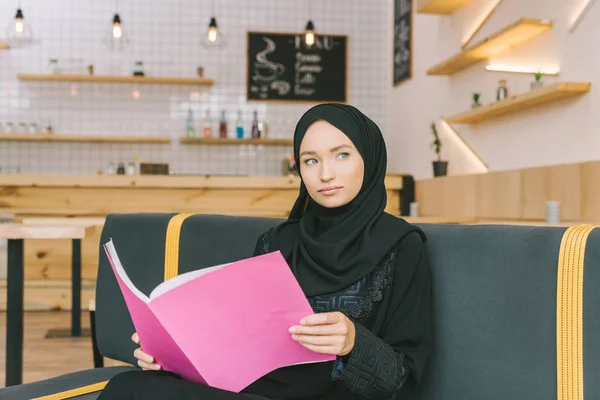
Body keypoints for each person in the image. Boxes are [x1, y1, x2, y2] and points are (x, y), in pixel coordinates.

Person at [98, 103, 432, 400]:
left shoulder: (403, 246)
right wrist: (169, 355)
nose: (325, 173)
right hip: (255, 390)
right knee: (130, 387)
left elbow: (405, 379)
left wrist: (354, 343)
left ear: (369, 159)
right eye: (311, 160)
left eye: (341, 155)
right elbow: (236, 344)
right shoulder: (276, 241)